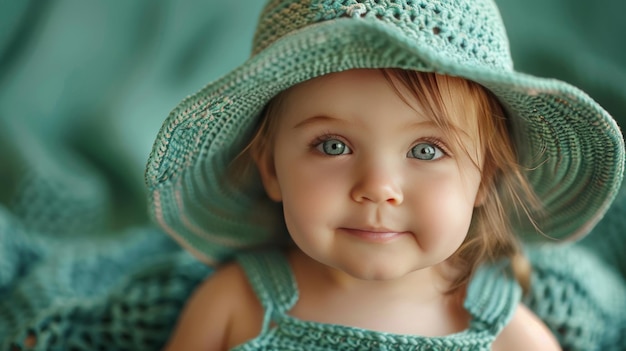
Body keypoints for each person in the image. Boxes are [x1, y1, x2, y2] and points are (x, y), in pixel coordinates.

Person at [144, 0, 624, 350]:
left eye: (426, 149)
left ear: (484, 177)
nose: (377, 187)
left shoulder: (509, 339)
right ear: (271, 168)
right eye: (333, 146)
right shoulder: (235, 305)